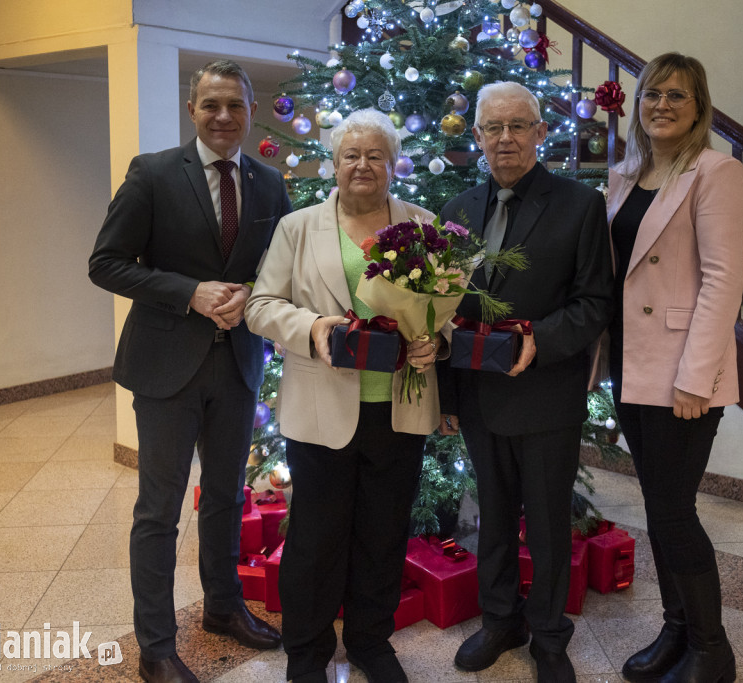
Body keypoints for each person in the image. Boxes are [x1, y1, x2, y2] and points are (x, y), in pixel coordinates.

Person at [89, 59, 292, 683]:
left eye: (235, 105)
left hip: (236, 364)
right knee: (159, 510)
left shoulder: (268, 181)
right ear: (192, 110)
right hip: (165, 368)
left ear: (250, 110)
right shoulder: (152, 174)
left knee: (228, 496)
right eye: (211, 105)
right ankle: (155, 645)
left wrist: (248, 294)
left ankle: (224, 608)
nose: (224, 116)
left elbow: (277, 268)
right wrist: (191, 292)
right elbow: (106, 263)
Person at [245, 108, 444, 683]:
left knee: (383, 535)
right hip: (320, 411)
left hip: (400, 407)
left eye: (375, 155)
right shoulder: (298, 227)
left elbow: (443, 313)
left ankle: (369, 643)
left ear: (393, 163)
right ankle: (306, 655)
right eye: (351, 156)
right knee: (314, 540)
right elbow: (261, 306)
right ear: (333, 165)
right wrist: (311, 328)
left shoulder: (424, 226)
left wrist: (438, 343)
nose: (363, 165)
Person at [437, 81, 613, 682]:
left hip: (545, 395)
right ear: (478, 135)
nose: (505, 138)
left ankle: (550, 638)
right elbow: (442, 308)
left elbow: (594, 303)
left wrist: (539, 339)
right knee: (490, 517)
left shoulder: (579, 206)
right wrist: (448, 395)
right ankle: (500, 621)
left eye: (518, 125)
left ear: (541, 132)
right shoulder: (457, 210)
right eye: (493, 127)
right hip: (479, 396)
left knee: (545, 523)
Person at [606, 53, 743, 683]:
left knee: (673, 510)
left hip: (682, 374)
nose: (662, 104)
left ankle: (712, 649)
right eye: (652, 93)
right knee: (659, 502)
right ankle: (676, 630)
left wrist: (697, 376)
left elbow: (722, 280)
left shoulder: (715, 172)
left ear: (699, 107)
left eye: (678, 96)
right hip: (630, 364)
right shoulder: (624, 175)